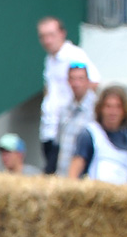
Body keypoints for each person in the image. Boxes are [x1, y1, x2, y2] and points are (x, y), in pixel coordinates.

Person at [37, 16, 99, 174]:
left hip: (69, 126)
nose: (47, 40)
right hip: (51, 128)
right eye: (43, 36)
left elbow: (94, 81)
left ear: (62, 33)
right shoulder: (49, 59)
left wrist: (78, 109)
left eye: (51, 35)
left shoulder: (74, 55)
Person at [67, 85, 127, 185]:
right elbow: (74, 173)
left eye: (117, 107)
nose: (112, 112)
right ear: (101, 109)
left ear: (124, 110)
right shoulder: (90, 134)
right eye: (108, 106)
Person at [55, 63, 97, 177]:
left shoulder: (96, 109)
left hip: (84, 177)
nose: (76, 83)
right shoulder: (65, 109)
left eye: (80, 79)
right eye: (72, 79)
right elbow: (59, 142)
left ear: (88, 81)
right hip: (63, 174)